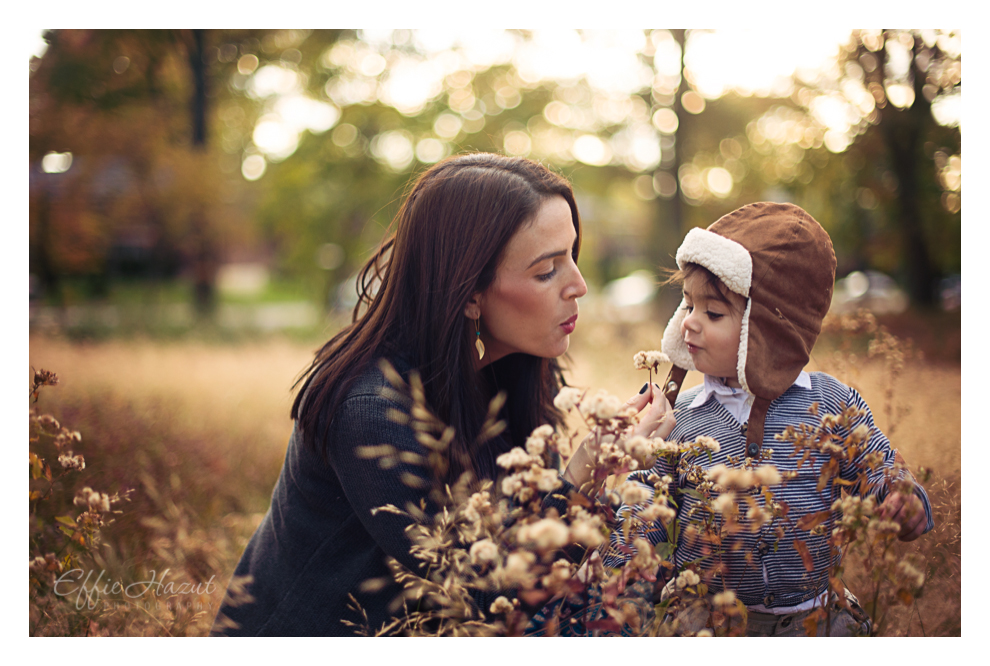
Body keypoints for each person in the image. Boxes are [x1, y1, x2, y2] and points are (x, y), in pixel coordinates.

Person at [601, 202, 933, 636]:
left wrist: (902, 500)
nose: (689, 325)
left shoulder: (829, 403)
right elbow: (647, 500)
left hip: (816, 621)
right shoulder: (680, 416)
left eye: (713, 313)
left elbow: (882, 468)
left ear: (768, 330)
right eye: (687, 306)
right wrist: (622, 553)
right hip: (710, 621)